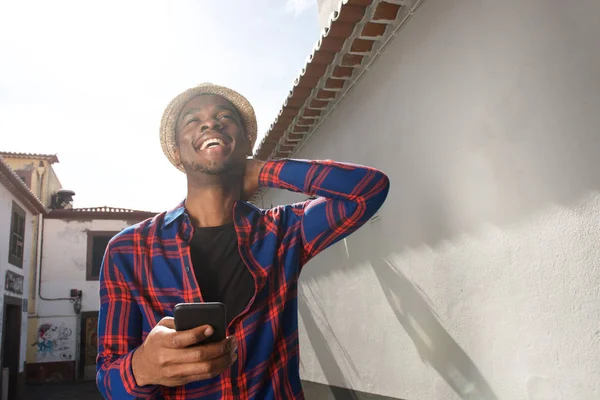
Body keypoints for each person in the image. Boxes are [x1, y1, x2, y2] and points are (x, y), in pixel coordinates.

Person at [96, 83, 389, 399]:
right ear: (177, 153)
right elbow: (108, 378)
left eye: (225, 116)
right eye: (193, 120)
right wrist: (142, 368)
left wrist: (265, 171)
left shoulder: (284, 231)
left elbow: (367, 190)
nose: (211, 123)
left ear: (246, 143)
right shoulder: (127, 251)